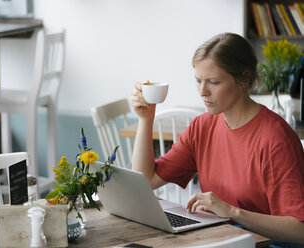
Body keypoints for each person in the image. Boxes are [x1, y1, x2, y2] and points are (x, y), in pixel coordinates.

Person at [130, 33, 304, 247]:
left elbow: (299, 230)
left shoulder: (276, 139)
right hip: (221, 240)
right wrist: (146, 119)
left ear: (244, 79)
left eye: (213, 82)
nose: (202, 92)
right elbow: (147, 180)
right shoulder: (202, 127)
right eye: (198, 81)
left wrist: (232, 212)